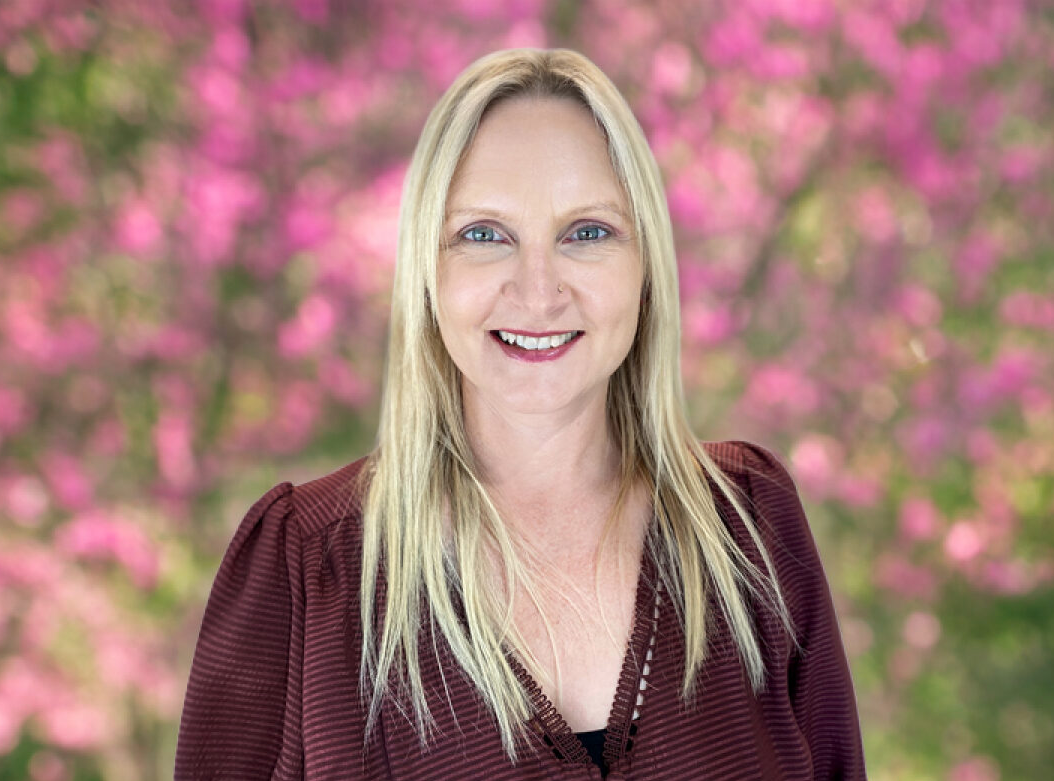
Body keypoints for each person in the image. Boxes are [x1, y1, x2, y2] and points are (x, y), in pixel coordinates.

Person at [175, 48, 865, 780]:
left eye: (588, 232)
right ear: (428, 271)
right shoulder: (304, 570)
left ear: (646, 267)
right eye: (484, 234)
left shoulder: (749, 529)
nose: (538, 292)